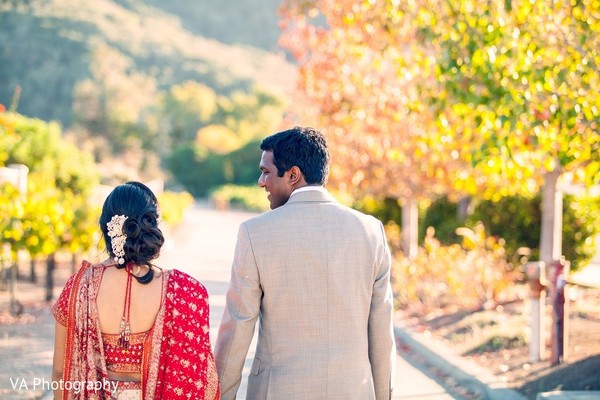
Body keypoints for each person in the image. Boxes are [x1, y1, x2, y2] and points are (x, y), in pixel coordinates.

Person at [215, 127, 396, 399]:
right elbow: (382, 334)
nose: (260, 182)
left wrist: (221, 395)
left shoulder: (255, 233)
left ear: (293, 175)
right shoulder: (371, 231)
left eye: (266, 171)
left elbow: (238, 328)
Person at [51, 181, 220, 399]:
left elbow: (60, 371)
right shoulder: (186, 292)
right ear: (151, 227)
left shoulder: (79, 287)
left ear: (106, 229)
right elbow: (200, 377)